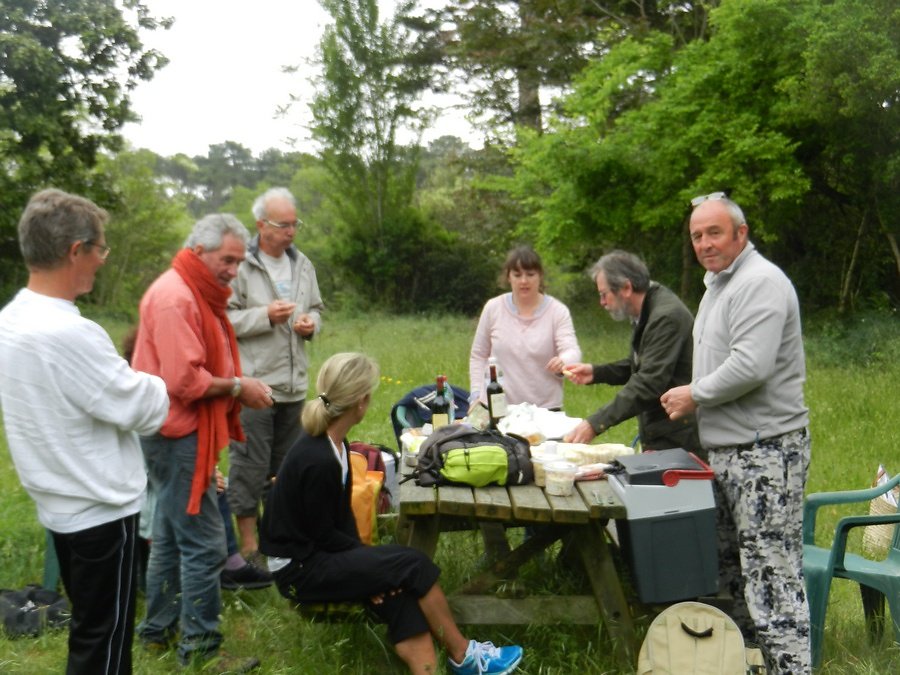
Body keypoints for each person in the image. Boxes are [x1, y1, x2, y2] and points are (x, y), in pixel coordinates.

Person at [260, 352, 524, 675]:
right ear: (361, 402)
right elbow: (322, 535)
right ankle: (464, 656)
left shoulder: (336, 446)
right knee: (413, 565)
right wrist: (373, 568)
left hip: (314, 556)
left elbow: (338, 524)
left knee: (400, 593)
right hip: (299, 570)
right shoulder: (317, 458)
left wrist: (372, 569)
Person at [0, 189, 169, 674]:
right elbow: (146, 409)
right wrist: (150, 375)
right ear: (76, 250)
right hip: (99, 511)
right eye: (101, 250)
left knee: (89, 630)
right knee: (106, 643)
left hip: (58, 504)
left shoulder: (12, 317)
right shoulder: (71, 334)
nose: (101, 261)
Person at [660, 192, 811, 674]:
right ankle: (752, 666)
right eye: (697, 235)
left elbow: (751, 365)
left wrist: (693, 395)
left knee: (772, 577)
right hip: (728, 452)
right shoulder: (719, 284)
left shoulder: (760, 281)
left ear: (741, 234)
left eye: (714, 232)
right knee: (734, 574)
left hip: (766, 452)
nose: (705, 243)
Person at [132, 213, 273, 672]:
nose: (234, 269)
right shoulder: (176, 298)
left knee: (172, 538)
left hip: (177, 432)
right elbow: (184, 379)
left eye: (238, 260)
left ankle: (157, 632)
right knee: (206, 545)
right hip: (177, 434)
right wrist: (239, 386)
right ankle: (202, 651)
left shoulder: (194, 290)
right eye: (227, 259)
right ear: (198, 252)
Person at [226, 186, 324, 563]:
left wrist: (309, 323)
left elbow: (316, 308)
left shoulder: (303, 265)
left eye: (294, 223)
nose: (291, 232)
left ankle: (278, 538)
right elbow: (225, 319)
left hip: (294, 384)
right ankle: (249, 546)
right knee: (250, 463)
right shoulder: (240, 266)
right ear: (261, 225)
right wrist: (265, 315)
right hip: (254, 384)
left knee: (285, 469)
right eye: (283, 225)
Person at [563, 250, 700, 453]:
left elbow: (648, 382)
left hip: (679, 441)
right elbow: (642, 364)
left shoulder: (665, 317)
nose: (602, 303)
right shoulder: (647, 309)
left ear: (626, 287)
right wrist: (597, 372)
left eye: (604, 294)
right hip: (662, 433)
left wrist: (594, 424)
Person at [469, 245, 581, 411]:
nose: (524, 281)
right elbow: (478, 355)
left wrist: (563, 361)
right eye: (517, 274)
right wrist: (476, 395)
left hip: (545, 410)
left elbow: (572, 351)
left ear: (540, 276)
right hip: (497, 407)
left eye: (530, 274)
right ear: (508, 277)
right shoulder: (493, 308)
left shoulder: (558, 311)